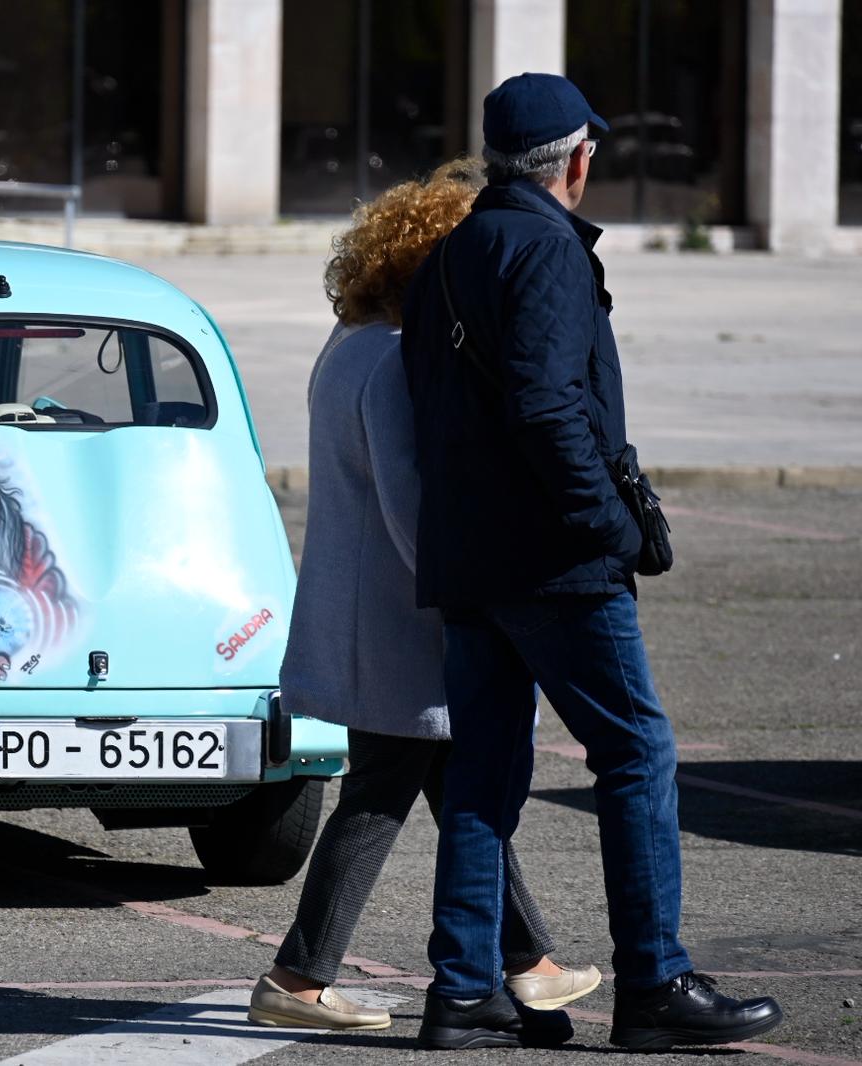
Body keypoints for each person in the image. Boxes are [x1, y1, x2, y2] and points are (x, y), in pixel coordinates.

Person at [400, 73, 784, 1050]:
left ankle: (462, 989)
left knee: (482, 774)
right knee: (636, 753)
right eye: (590, 155)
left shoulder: (446, 257)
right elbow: (545, 407)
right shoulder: (547, 251)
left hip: (468, 558)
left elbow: (436, 415)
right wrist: (609, 526)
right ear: (573, 162)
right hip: (552, 560)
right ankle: (652, 982)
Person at [247, 158, 601, 1033]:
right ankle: (297, 978)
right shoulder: (395, 361)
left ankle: (531, 960)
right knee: (386, 791)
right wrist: (473, 598)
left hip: (368, 612)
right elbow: (412, 508)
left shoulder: (349, 343)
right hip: (400, 623)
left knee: (452, 788)